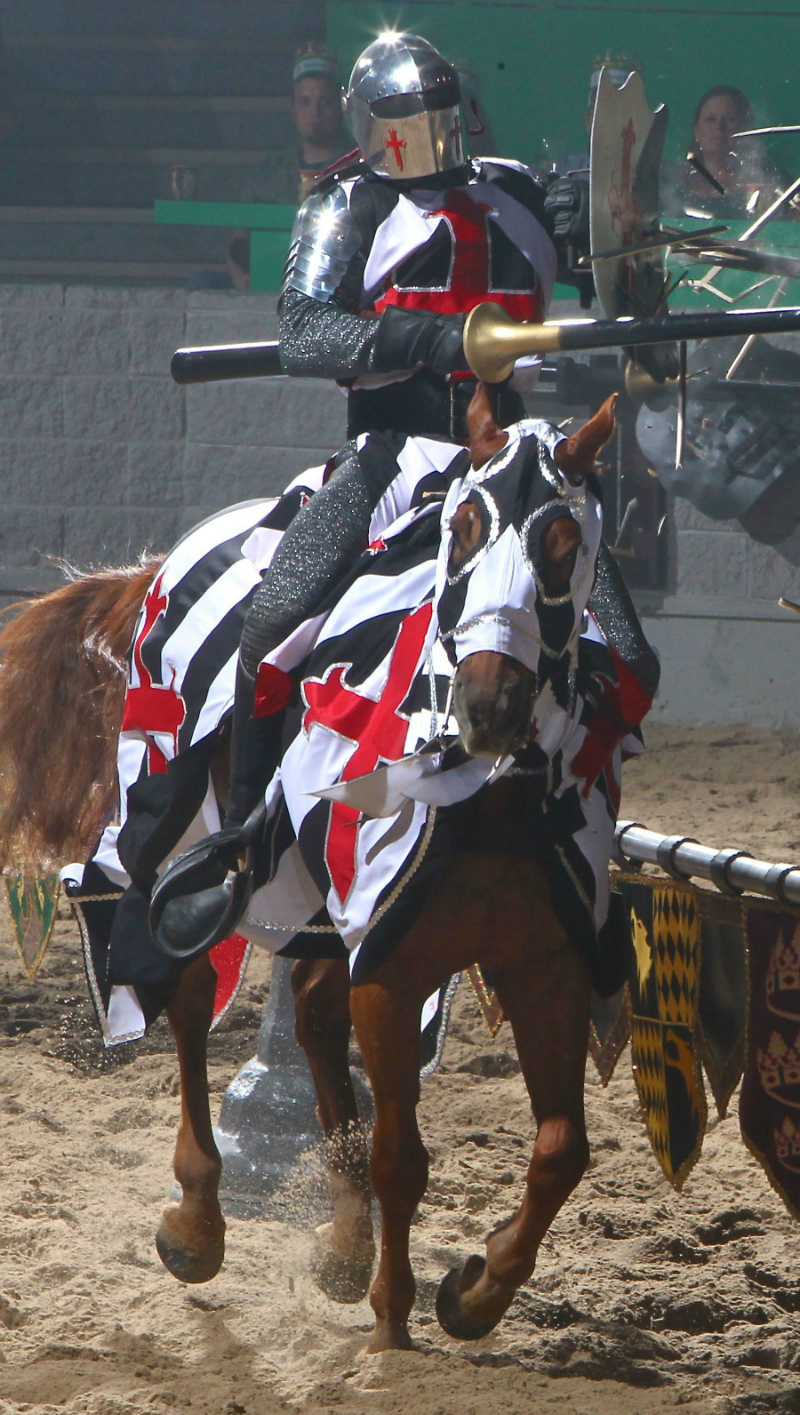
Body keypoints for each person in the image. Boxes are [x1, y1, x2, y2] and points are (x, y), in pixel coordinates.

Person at [164, 31, 657, 945]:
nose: (433, 133)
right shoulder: (345, 203)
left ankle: (580, 834)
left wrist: (604, 217)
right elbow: (307, 330)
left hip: (517, 463)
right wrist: (419, 343)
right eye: (413, 120)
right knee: (275, 625)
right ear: (376, 125)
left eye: (444, 115)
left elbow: (613, 262)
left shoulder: (513, 190)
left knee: (629, 660)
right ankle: (245, 843)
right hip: (392, 452)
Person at [226, 45, 353, 291]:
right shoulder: (267, 173)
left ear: (340, 106)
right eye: (305, 102)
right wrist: (242, 279)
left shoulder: (358, 167)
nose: (314, 112)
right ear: (293, 108)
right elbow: (238, 240)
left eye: (324, 102)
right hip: (267, 282)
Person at [663, 85, 787, 220]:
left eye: (730, 119)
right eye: (710, 119)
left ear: (744, 128)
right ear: (696, 131)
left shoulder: (772, 184)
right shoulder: (670, 182)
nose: (719, 126)